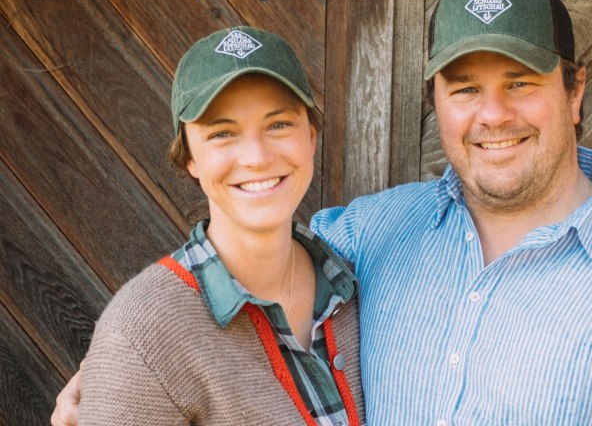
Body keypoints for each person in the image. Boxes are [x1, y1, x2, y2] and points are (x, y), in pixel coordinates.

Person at [53, 0, 592, 424]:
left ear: (574, 92)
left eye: (520, 82)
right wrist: (114, 385)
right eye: (463, 87)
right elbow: (242, 279)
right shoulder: (368, 235)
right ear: (435, 106)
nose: (492, 114)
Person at [56, 26, 364, 425]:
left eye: (278, 125)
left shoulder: (357, 287)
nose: (255, 156)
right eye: (222, 133)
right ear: (190, 159)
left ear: (311, 135)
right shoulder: (140, 336)